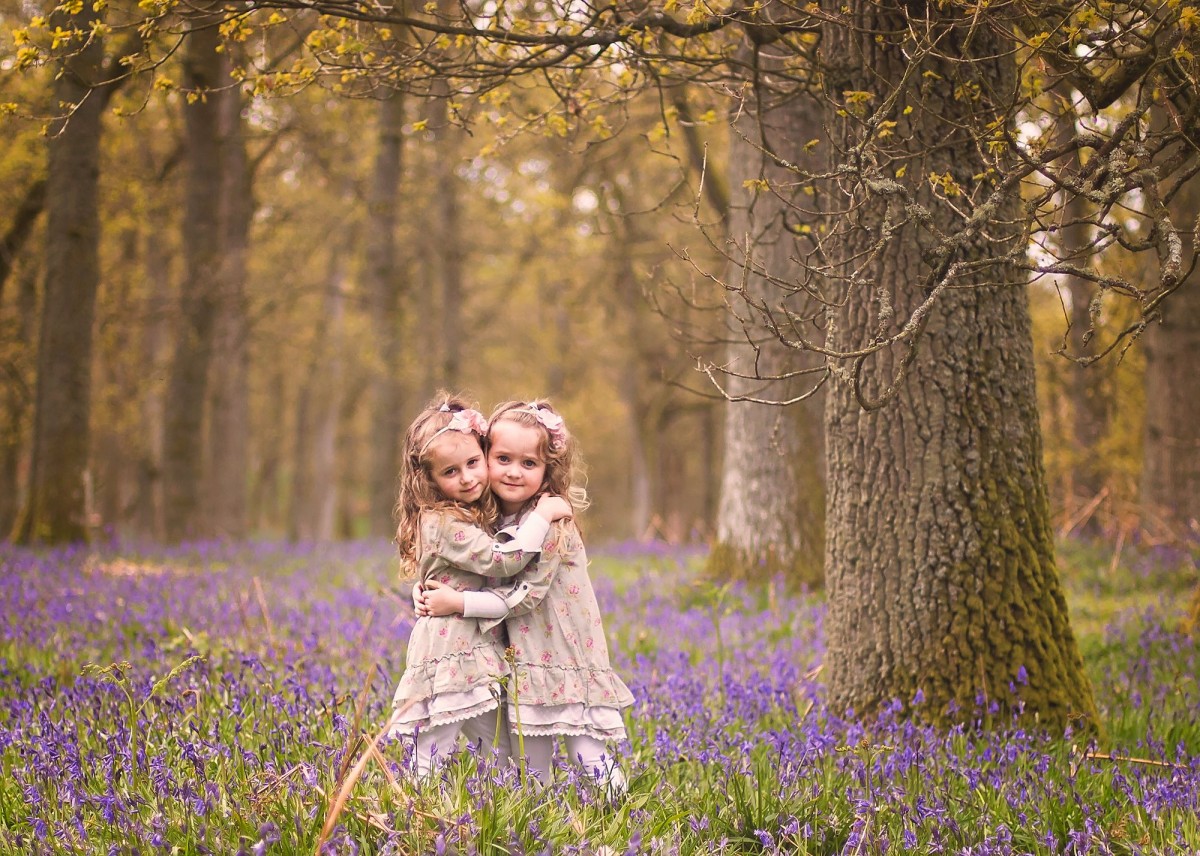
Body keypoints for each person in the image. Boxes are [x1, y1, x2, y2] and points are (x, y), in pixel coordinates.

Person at [418, 400, 635, 794]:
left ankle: (623, 813)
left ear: (548, 469)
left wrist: (458, 603)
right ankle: (535, 824)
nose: (513, 472)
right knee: (528, 762)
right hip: (521, 660)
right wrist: (428, 587)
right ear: (485, 456)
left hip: (563, 657)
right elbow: (471, 563)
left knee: (585, 748)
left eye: (529, 464)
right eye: (502, 458)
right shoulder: (489, 516)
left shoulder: (551, 522)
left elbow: (522, 597)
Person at [387, 393, 572, 780]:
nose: (468, 477)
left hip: (478, 655)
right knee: (433, 746)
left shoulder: (471, 513)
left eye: (473, 462)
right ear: (429, 481)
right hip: (449, 652)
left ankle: (512, 818)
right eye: (451, 472)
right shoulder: (440, 521)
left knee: (501, 752)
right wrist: (541, 515)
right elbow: (501, 560)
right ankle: (409, 814)